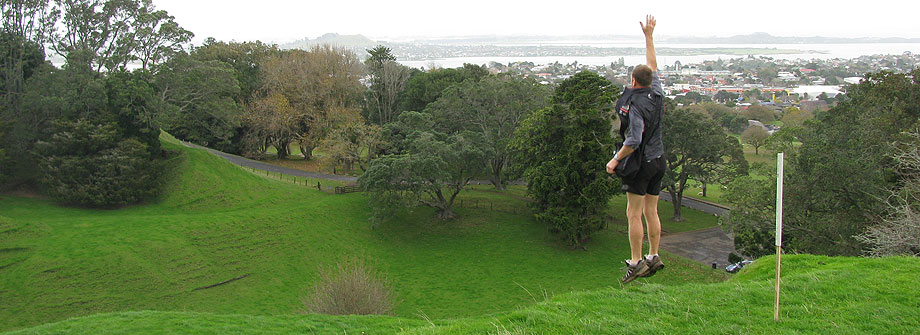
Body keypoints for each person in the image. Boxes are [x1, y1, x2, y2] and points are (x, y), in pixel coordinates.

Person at [605, 15, 666, 284]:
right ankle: (654, 255)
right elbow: (651, 65)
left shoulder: (636, 105)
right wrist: (649, 37)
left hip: (640, 164)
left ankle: (635, 262)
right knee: (651, 211)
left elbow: (633, 140)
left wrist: (614, 160)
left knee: (633, 213)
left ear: (633, 80)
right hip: (659, 159)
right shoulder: (657, 91)